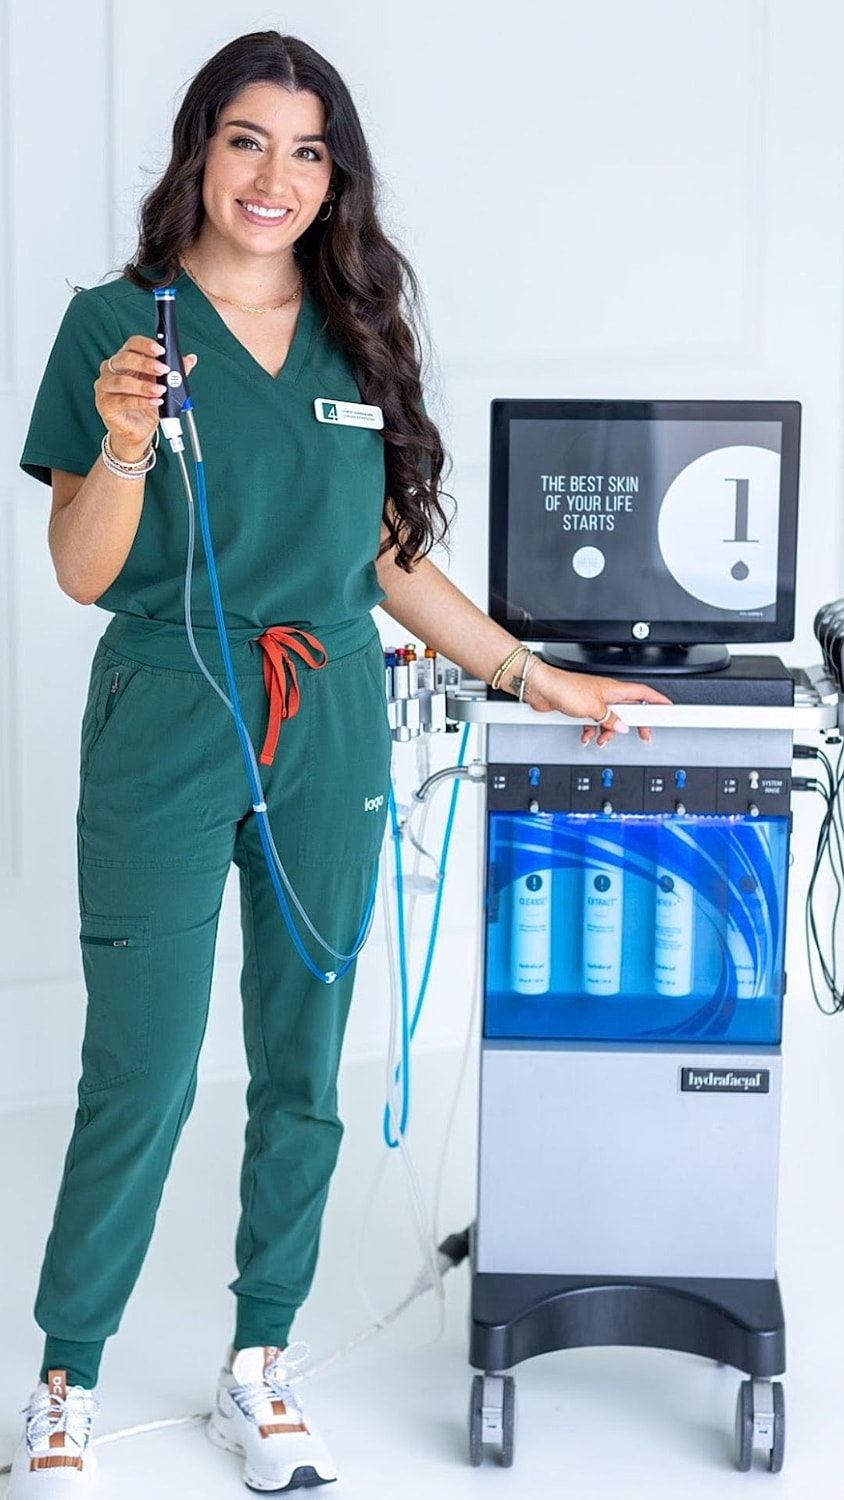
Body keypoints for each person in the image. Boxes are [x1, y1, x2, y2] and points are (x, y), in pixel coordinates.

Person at [12, 29, 669, 1498]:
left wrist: (531, 672)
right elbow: (76, 569)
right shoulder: (119, 329)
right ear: (198, 148)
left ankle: (261, 1359)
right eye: (249, 140)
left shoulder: (357, 331)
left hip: (331, 728)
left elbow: (385, 563)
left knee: (305, 1059)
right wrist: (121, 446)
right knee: (144, 1070)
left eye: (309, 152)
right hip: (169, 715)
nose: (276, 177)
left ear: (336, 177)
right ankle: (67, 1383)